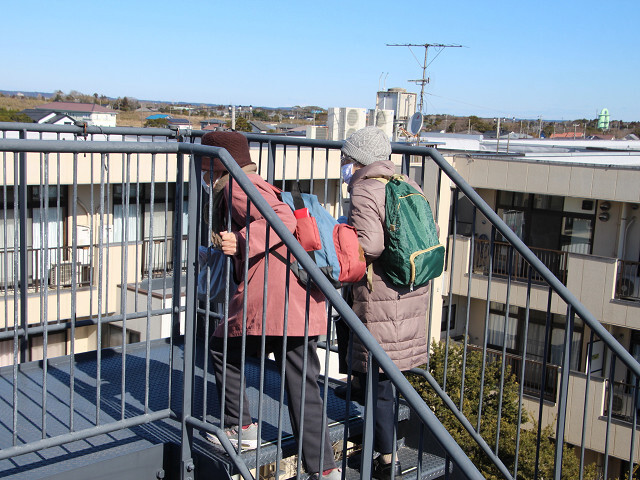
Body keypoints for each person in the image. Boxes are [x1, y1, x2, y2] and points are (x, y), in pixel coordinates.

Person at [200, 131, 340, 480]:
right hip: (297, 300)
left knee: (221, 347)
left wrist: (241, 240)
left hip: (272, 298)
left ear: (216, 165)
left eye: (204, 167)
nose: (202, 176)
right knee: (303, 387)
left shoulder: (235, 186)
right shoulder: (255, 180)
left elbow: (283, 219)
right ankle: (324, 470)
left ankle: (241, 428)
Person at [339, 126, 432, 480]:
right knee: (382, 372)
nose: (344, 164)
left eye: (346, 158)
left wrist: (341, 237)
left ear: (359, 159)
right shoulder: (407, 183)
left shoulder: (365, 188)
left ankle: (386, 460)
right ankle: (357, 384)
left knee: (379, 381)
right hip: (409, 291)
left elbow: (371, 245)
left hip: (381, 296)